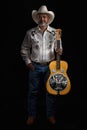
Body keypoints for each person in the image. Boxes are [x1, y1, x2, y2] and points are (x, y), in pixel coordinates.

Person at [20, 5, 63, 125]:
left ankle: (50, 115)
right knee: (33, 92)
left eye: (45, 16)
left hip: (50, 66)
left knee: (51, 92)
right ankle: (31, 115)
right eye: (40, 16)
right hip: (35, 66)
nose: (42, 19)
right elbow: (24, 48)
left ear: (48, 18)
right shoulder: (30, 33)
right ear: (37, 18)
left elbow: (58, 48)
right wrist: (28, 63)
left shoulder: (55, 32)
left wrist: (59, 50)